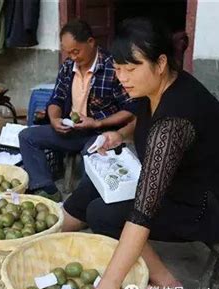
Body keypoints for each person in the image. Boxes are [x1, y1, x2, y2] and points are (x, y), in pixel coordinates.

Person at [62, 18, 219, 289]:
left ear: (160, 63)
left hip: (208, 205)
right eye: (118, 67)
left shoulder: (175, 119)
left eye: (131, 68)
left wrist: (111, 280)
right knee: (95, 182)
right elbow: (141, 118)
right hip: (182, 184)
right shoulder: (154, 87)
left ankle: (169, 288)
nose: (122, 77)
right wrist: (118, 134)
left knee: (104, 213)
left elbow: (143, 212)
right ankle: (54, 232)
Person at [18, 20, 140, 201]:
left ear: (91, 42)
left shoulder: (111, 68)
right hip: (71, 130)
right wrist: (54, 119)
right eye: (68, 52)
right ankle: (46, 189)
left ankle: (84, 204)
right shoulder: (68, 67)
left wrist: (98, 122)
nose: (72, 57)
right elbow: (56, 98)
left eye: (76, 51)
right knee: (27, 136)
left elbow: (130, 109)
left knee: (92, 156)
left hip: (99, 132)